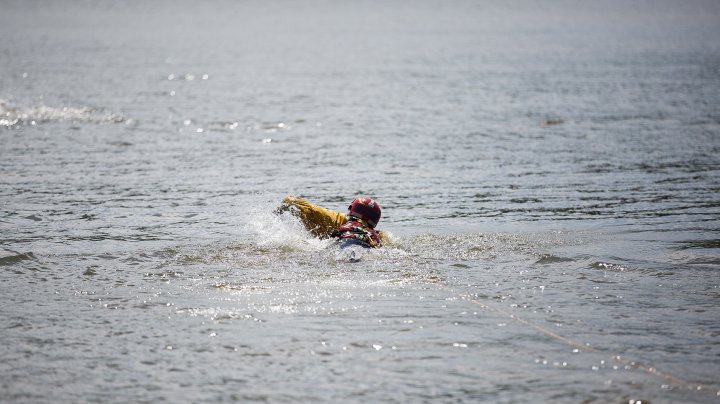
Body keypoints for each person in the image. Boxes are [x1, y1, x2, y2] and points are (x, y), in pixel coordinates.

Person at [278, 196, 385, 248]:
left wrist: (276, 214)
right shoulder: (377, 235)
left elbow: (289, 200)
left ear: (352, 208)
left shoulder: (332, 218)